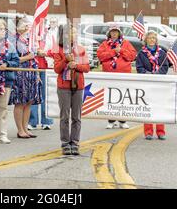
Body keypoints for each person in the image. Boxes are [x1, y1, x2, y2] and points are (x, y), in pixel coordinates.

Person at [54, 24, 90, 156]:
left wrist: (76, 65)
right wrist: (65, 60)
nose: (73, 36)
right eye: (70, 33)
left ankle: (75, 142)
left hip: (78, 86)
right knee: (64, 116)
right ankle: (65, 142)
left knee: (76, 116)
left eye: (75, 33)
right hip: (63, 87)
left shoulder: (81, 49)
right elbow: (57, 69)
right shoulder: (59, 50)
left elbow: (86, 67)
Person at [97, 25, 137, 130]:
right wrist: (113, 51)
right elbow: (101, 56)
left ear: (119, 33)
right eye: (112, 32)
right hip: (109, 75)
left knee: (123, 98)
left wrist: (121, 50)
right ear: (109, 33)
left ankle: (122, 121)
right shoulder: (105, 44)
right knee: (110, 97)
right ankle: (111, 120)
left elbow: (132, 57)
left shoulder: (126, 43)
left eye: (116, 32)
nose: (114, 34)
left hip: (123, 76)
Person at [8, 17, 42, 139]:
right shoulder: (13, 40)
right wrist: (28, 57)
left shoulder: (30, 40)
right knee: (20, 101)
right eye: (26, 25)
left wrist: (37, 74)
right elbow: (11, 59)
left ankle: (25, 128)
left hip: (31, 71)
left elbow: (35, 58)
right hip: (20, 72)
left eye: (29, 26)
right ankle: (20, 130)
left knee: (29, 101)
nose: (28, 28)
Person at [136, 30, 169, 140]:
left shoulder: (162, 53)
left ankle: (160, 132)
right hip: (147, 82)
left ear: (156, 40)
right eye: (150, 38)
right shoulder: (141, 53)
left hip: (160, 83)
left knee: (159, 106)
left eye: (154, 38)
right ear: (146, 40)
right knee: (148, 106)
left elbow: (165, 67)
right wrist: (149, 74)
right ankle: (148, 132)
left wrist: (157, 74)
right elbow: (139, 68)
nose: (152, 40)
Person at [28, 19, 55, 131]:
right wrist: (36, 51)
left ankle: (47, 121)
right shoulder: (31, 37)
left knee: (46, 95)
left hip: (47, 68)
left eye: (44, 26)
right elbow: (27, 49)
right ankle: (32, 121)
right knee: (33, 95)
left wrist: (46, 53)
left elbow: (56, 51)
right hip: (33, 68)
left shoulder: (51, 37)